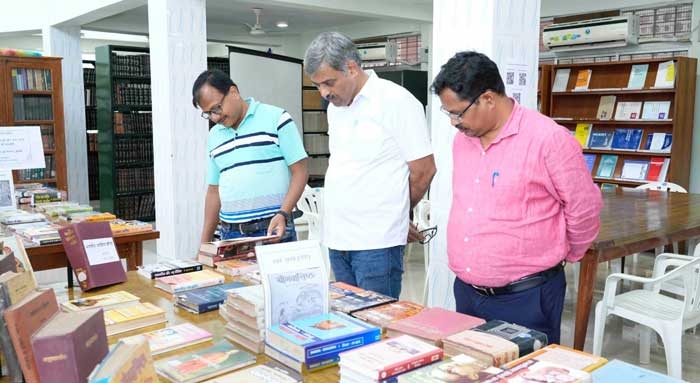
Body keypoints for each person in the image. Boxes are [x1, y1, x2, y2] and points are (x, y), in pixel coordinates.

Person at [431, 51, 602, 344]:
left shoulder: (549, 140)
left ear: (488, 98)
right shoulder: (463, 141)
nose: (453, 123)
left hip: (526, 297)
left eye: (458, 113)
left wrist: (563, 253)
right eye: (448, 113)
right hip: (468, 292)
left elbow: (584, 207)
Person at [303, 32, 436, 299]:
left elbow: (424, 170)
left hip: (377, 241)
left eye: (329, 82)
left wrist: (398, 211)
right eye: (318, 85)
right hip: (337, 236)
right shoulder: (335, 108)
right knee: (350, 321)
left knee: (377, 325)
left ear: (351, 68)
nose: (325, 92)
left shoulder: (397, 101)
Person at [192, 69, 308, 243]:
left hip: (272, 228)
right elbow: (214, 191)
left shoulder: (277, 118)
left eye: (216, 108)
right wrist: (204, 245)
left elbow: (301, 172)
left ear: (233, 92)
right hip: (230, 234)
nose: (215, 117)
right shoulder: (214, 136)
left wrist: (284, 213)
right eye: (208, 113)